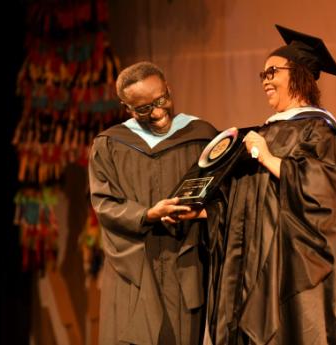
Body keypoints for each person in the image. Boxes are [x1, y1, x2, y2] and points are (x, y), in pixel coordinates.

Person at [205, 25, 336, 345]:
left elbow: (324, 196)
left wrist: (268, 157)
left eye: (272, 71)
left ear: (299, 75)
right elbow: (249, 199)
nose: (266, 81)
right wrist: (207, 213)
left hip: (289, 271)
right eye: (262, 74)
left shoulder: (318, 130)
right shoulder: (266, 132)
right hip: (249, 269)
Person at [88, 61, 218, 345]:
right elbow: (104, 204)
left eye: (162, 100)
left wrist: (202, 212)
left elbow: (227, 198)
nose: (158, 113)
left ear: (168, 88)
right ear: (128, 108)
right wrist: (147, 214)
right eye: (145, 109)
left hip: (184, 267)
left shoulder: (201, 137)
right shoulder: (110, 145)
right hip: (134, 269)